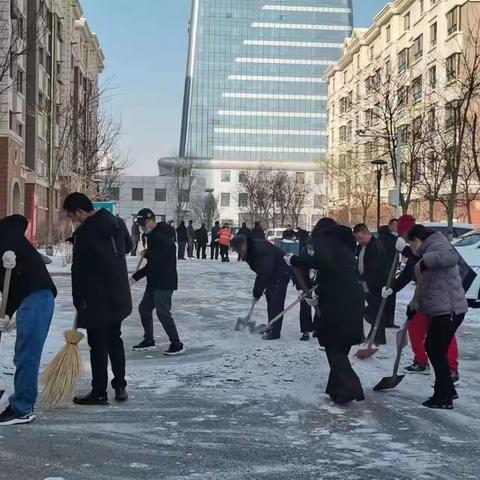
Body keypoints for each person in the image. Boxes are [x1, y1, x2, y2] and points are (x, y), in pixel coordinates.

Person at [285, 218, 365, 405]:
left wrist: (294, 259)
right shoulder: (344, 243)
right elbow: (332, 271)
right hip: (352, 296)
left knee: (332, 344)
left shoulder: (326, 240)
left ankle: (352, 386)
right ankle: (337, 390)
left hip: (338, 299)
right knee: (341, 346)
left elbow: (323, 262)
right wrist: (317, 293)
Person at [63, 193, 132, 406]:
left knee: (98, 346)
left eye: (71, 216)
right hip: (118, 294)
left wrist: (78, 300)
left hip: (96, 298)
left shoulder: (84, 233)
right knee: (115, 340)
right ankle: (120, 386)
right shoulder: (117, 222)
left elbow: (79, 272)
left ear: (79, 212)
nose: (72, 221)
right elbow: (128, 247)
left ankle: (99, 391)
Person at [383, 215, 461, 379]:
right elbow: (411, 270)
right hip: (425, 294)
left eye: (405, 238)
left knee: (443, 336)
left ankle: (451, 369)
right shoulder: (416, 244)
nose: (406, 242)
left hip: (444, 299)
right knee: (414, 328)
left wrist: (405, 250)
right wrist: (393, 288)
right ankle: (421, 361)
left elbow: (429, 260)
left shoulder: (433, 243)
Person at [0, 215, 57, 425]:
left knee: (27, 356)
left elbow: (18, 220)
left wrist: (14, 248)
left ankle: (23, 408)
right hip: (30, 298)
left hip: (37, 298)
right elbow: (11, 286)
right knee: (22, 355)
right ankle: (20, 401)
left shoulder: (5, 237)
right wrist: (5, 314)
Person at [406, 224, 468, 409]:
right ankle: (446, 392)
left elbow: (451, 257)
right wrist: (414, 305)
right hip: (443, 309)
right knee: (434, 349)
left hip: (449, 310)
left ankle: (443, 397)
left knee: (435, 350)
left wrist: (426, 260)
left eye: (411, 245)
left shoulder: (438, 246)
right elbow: (423, 287)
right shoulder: (429, 251)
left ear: (417, 240)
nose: (412, 249)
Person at [130, 209, 184, 355]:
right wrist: (148, 253)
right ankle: (149, 340)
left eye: (144, 224)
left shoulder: (162, 237)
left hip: (164, 281)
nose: (142, 227)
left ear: (151, 220)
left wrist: (134, 278)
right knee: (144, 309)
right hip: (154, 281)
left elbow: (156, 263)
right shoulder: (154, 236)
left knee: (163, 313)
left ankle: (176, 343)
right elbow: (156, 257)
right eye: (140, 225)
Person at [232, 234, 291, 340]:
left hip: (281, 271)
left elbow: (264, 272)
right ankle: (271, 325)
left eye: (238, 249)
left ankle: (275, 332)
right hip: (272, 273)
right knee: (270, 296)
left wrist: (257, 293)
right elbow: (261, 271)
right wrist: (258, 292)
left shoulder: (258, 249)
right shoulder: (250, 250)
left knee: (275, 299)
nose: (239, 252)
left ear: (243, 244)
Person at [353, 223, 389, 345]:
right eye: (357, 239)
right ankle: (373, 335)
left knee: (376, 309)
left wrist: (362, 277)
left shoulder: (376, 246)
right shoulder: (362, 246)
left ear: (367, 234)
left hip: (374, 283)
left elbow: (376, 268)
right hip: (364, 282)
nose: (359, 241)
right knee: (371, 309)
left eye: (360, 238)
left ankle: (378, 337)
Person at [377, 219, 399, 329]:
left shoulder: (392, 237)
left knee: (390, 295)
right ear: (390, 226)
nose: (397, 228)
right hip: (386, 271)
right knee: (387, 295)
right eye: (395, 225)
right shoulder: (385, 238)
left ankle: (388, 320)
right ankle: (386, 320)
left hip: (391, 270)